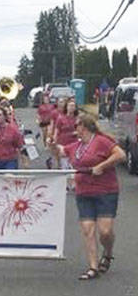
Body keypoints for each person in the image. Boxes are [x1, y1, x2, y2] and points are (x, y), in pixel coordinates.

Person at [60, 114, 126, 281]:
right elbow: (61, 152)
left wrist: (101, 166)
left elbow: (120, 155)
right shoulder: (77, 146)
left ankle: (108, 252)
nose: (75, 130)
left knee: (105, 231)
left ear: (85, 127)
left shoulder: (101, 141)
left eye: (77, 126)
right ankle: (93, 267)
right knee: (88, 230)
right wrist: (53, 145)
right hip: (84, 192)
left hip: (105, 191)